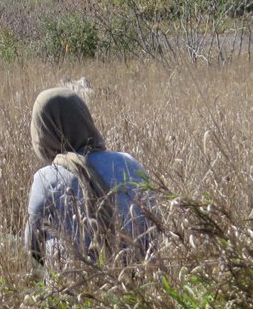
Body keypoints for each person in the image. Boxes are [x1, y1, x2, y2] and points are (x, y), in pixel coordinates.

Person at [24, 87, 156, 268]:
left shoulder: (46, 178)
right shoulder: (128, 163)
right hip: (135, 280)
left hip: (71, 286)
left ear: (43, 131)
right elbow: (154, 226)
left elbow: (33, 246)